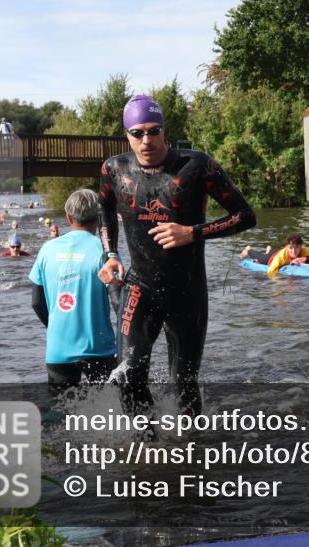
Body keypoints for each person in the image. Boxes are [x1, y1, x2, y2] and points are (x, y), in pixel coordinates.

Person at [97, 94, 255, 417]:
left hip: (187, 291)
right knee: (127, 377)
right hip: (140, 285)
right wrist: (110, 253)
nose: (146, 140)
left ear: (164, 130)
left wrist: (192, 232)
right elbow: (104, 209)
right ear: (127, 135)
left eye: (153, 130)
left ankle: (192, 456)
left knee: (183, 386)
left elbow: (245, 215)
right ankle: (147, 451)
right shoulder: (114, 169)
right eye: (137, 133)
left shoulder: (196, 166)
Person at [30, 189, 117, 395]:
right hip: (100, 347)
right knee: (109, 412)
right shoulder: (105, 252)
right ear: (98, 218)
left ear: (68, 217)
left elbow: (36, 302)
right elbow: (119, 301)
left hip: (59, 348)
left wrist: (54, 327)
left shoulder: (47, 249)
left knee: (61, 415)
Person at [240, 234, 309, 277]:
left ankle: (269, 249)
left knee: (272, 251)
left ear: (301, 247)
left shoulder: (306, 251)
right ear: (287, 247)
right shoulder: (281, 257)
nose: (293, 251)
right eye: (291, 248)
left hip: (278, 251)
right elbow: (270, 271)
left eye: (296, 248)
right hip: (271, 258)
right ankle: (248, 250)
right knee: (261, 257)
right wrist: (279, 282)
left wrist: (305, 259)